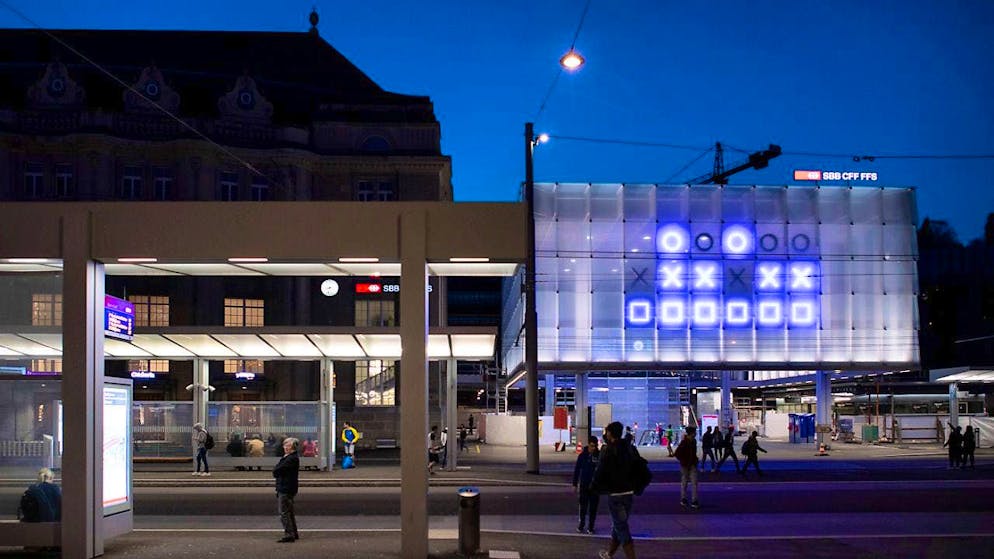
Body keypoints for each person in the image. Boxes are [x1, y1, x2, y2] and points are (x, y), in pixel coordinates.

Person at [591, 421, 638, 559]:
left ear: (610, 433)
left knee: (621, 527)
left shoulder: (608, 450)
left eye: (606, 432)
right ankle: (609, 554)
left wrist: (593, 486)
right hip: (628, 492)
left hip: (615, 494)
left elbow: (600, 471)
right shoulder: (628, 447)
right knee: (618, 525)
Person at [273, 437, 300, 543]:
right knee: (289, 511)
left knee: (284, 512)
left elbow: (277, 470)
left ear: (291, 447)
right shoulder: (290, 457)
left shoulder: (290, 458)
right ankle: (294, 532)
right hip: (289, 487)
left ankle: (289, 534)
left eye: (286, 445)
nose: (284, 447)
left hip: (286, 487)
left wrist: (276, 470)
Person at [572, 435, 601, 534]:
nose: (593, 448)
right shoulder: (582, 456)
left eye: (595, 446)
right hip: (584, 484)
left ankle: (591, 526)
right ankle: (581, 525)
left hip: (595, 486)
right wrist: (575, 484)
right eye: (592, 446)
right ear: (588, 445)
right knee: (583, 507)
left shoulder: (598, 456)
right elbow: (577, 470)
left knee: (593, 508)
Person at [673, 426, 699, 509]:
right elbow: (677, 453)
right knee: (688, 482)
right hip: (686, 465)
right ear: (692, 433)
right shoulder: (685, 442)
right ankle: (686, 499)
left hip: (690, 464)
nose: (695, 433)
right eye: (694, 432)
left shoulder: (692, 441)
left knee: (690, 482)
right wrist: (683, 461)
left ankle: (691, 499)